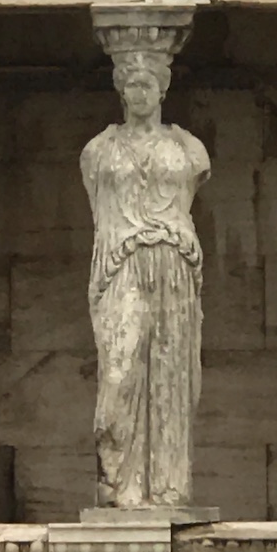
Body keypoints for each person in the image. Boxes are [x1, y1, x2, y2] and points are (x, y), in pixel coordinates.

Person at [80, 55, 211, 509]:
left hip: (174, 262)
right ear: (120, 90)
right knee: (119, 374)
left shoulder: (188, 148)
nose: (138, 93)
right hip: (122, 264)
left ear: (162, 88)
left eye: (147, 84)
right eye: (130, 85)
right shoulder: (98, 151)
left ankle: (167, 488)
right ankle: (120, 485)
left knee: (171, 375)